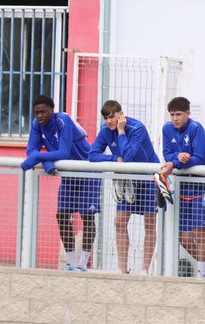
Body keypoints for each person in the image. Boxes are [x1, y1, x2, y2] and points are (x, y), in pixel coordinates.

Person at [21, 95, 99, 272]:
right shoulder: (36, 125)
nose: (39, 116)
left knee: (87, 217)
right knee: (62, 215)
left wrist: (36, 158)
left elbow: (63, 152)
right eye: (36, 113)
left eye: (43, 112)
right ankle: (71, 264)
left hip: (88, 172)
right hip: (69, 175)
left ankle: (82, 264)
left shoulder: (63, 120)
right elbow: (31, 149)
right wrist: (47, 163)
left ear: (52, 111)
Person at [88, 99, 160, 275]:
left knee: (149, 224)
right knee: (119, 221)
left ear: (121, 114)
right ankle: (123, 270)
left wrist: (120, 131)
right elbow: (92, 155)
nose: (109, 121)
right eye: (106, 118)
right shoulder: (105, 131)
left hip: (148, 178)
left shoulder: (137, 129)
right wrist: (113, 159)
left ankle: (145, 270)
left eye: (112, 117)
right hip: (126, 180)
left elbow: (128, 156)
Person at [159, 97, 205, 278]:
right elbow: (167, 154)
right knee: (184, 237)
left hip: (197, 188)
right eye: (172, 115)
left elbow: (198, 159)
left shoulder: (196, 129)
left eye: (178, 114)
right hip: (179, 189)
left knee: (199, 232)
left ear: (188, 114)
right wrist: (176, 159)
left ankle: (202, 274)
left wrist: (177, 162)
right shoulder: (166, 129)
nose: (175, 118)